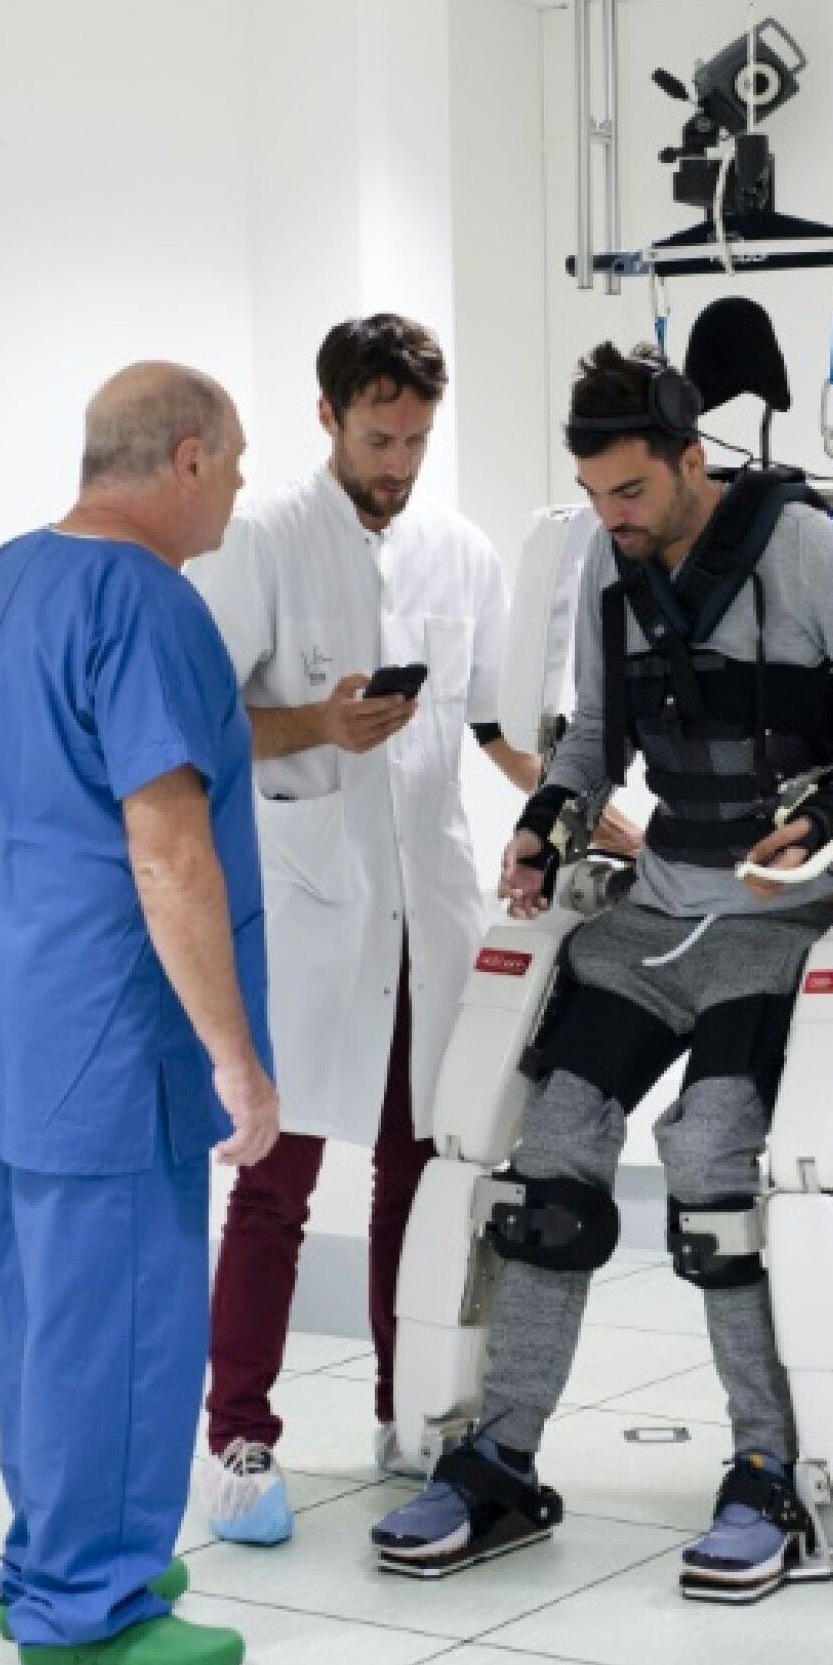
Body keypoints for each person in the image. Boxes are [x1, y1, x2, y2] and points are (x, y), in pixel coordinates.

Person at [371, 340, 833, 1601]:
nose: (610, 515)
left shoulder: (806, 553)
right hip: (656, 910)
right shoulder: (603, 566)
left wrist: (829, 807)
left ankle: (768, 1471)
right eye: (593, 492)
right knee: (550, 1155)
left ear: (689, 460)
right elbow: (593, 739)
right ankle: (500, 1457)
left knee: (713, 1154)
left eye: (629, 489)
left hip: (779, 917)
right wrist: (546, 820)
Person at [189, 315, 633, 1543]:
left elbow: (498, 726)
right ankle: (238, 1436)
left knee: (422, 1176)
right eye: (379, 437)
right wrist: (317, 726)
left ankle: (409, 1410)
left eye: (417, 440)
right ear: (327, 417)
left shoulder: (460, 551)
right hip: (308, 918)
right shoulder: (261, 540)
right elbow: (199, 721)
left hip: (424, 920)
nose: (398, 461)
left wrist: (593, 813)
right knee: (273, 1187)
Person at [0, 363, 278, 1665]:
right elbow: (168, 850)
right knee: (126, 1328)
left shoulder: (7, 577)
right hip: (111, 1038)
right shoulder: (150, 603)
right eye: (238, 461)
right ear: (187, 457)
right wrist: (236, 1057)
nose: (241, 489)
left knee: (42, 1323)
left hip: (10, 1029)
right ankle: (91, 1602)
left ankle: (46, 1559)